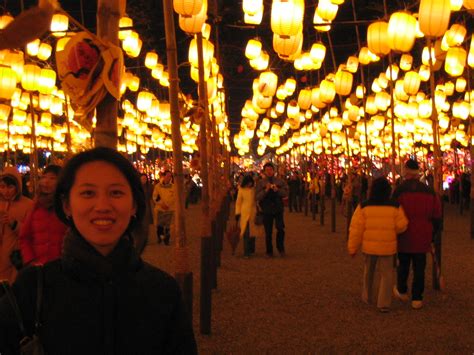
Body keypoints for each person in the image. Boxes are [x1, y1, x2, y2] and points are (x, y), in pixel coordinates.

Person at [0, 147, 197, 354]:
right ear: (66, 205)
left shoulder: (162, 292)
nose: (102, 205)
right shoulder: (33, 288)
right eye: (88, 193)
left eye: (116, 192)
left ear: (134, 206)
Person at [348, 177, 408, 313]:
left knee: (369, 271)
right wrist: (392, 230)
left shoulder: (363, 206)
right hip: (387, 246)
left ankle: (367, 296)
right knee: (387, 274)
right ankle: (383, 303)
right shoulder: (395, 206)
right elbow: (402, 226)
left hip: (369, 246)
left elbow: (356, 229)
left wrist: (352, 248)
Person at [392, 159, 442, 310]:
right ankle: (417, 298)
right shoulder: (429, 191)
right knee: (420, 267)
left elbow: (393, 212)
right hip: (423, 233)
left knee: (404, 264)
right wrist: (433, 234)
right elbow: (437, 215)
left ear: (406, 172)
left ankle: (402, 290)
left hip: (404, 233)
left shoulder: (399, 191)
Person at [19, 165, 67, 266]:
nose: (46, 181)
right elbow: (25, 237)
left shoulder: (66, 207)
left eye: (52, 178)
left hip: (63, 267)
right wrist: (31, 261)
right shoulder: (35, 207)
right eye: (44, 177)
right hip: (39, 267)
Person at [0, 167, 33, 283]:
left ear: (18, 187)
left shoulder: (28, 205)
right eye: (2, 187)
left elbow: (30, 232)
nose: (6, 191)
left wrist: (14, 224)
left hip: (14, 257)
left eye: (10, 187)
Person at [256, 162, 288, 257]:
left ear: (274, 171)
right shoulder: (261, 183)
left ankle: (280, 248)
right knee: (268, 231)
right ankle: (269, 251)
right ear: (264, 171)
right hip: (266, 209)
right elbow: (257, 197)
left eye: (271, 170)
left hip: (278, 208)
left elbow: (286, 193)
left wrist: (277, 190)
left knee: (280, 229)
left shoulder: (280, 181)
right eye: (267, 170)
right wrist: (265, 190)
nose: (269, 172)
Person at [235, 174, 257, 258]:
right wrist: (237, 213)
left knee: (253, 233)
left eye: (251, 183)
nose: (249, 184)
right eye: (248, 183)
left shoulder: (254, 190)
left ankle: (251, 249)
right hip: (244, 213)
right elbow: (238, 202)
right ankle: (246, 251)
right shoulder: (241, 190)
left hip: (253, 213)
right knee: (246, 232)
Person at [152, 170, 175, 245]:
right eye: (167, 176)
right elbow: (155, 197)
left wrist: (168, 205)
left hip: (170, 208)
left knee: (168, 225)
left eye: (170, 176)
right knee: (160, 225)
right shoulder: (158, 186)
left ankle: (167, 239)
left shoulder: (173, 186)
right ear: (164, 176)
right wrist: (161, 204)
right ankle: (160, 237)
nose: (169, 177)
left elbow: (175, 197)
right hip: (160, 208)